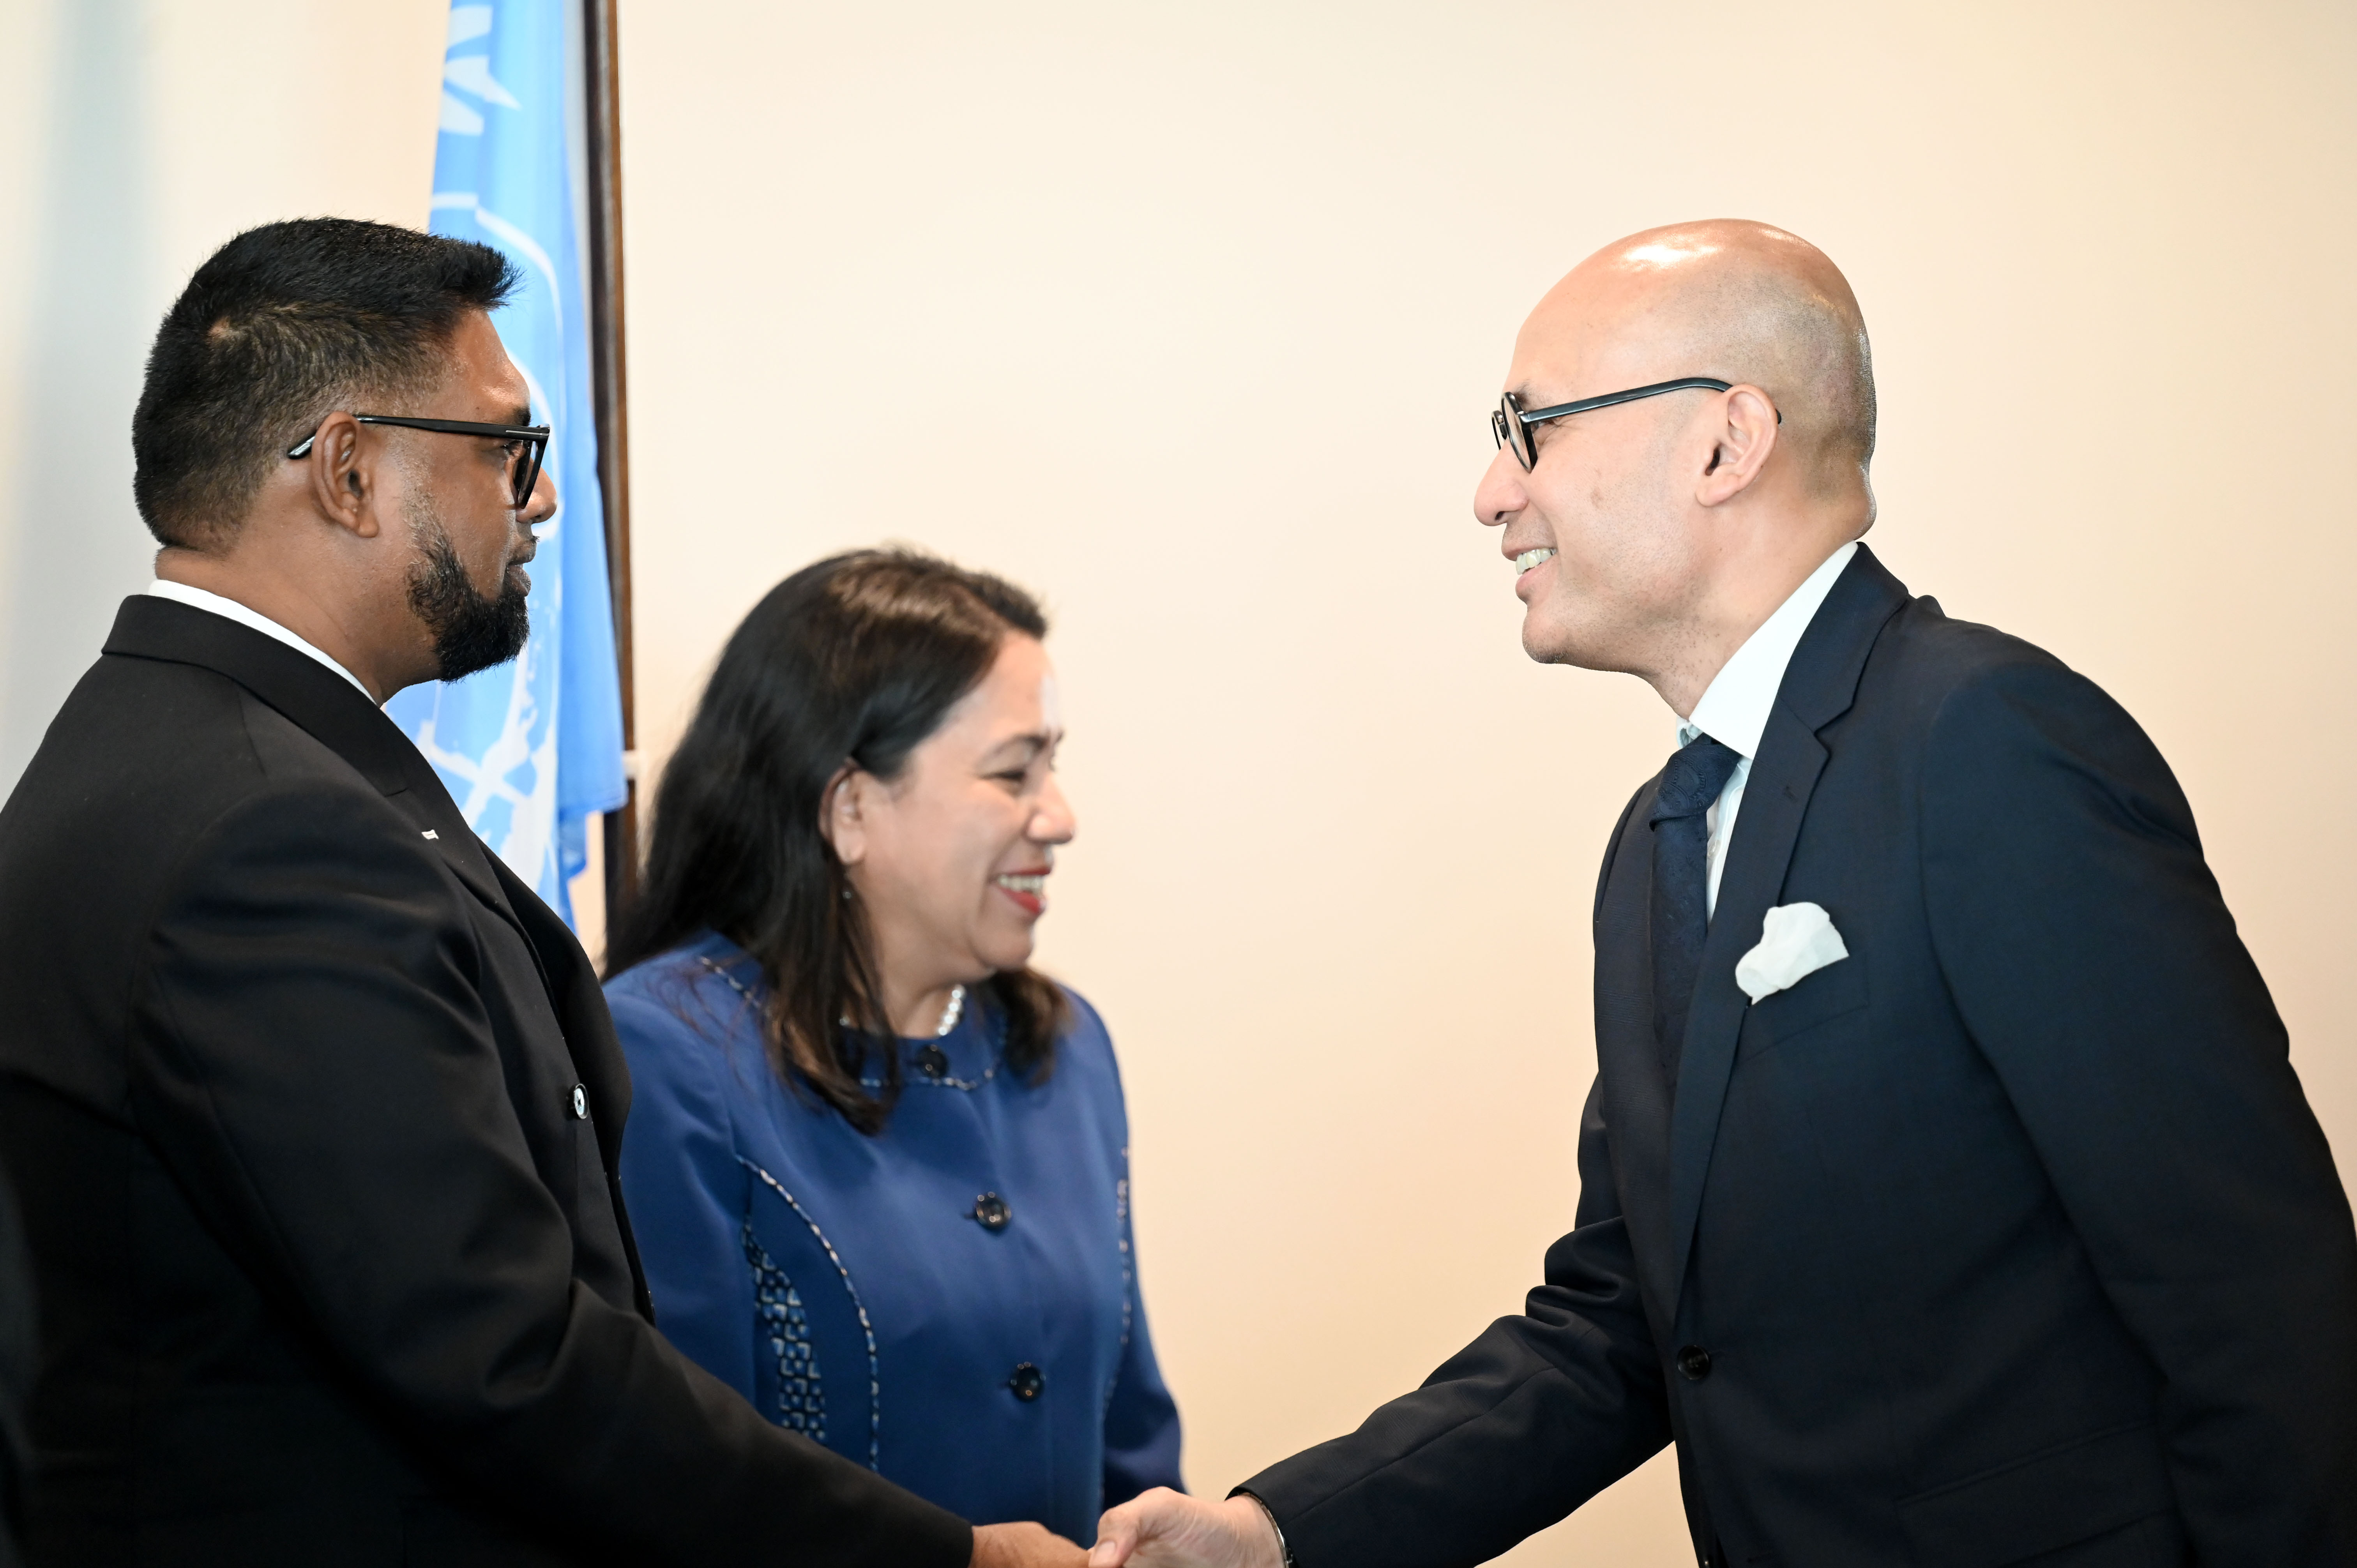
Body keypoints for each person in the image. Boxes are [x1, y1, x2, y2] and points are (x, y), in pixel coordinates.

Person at [1092, 221, 2357, 1567]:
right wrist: (1273, 1535)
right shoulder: (1657, 842)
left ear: (1722, 442)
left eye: (1529, 427)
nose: (1489, 492)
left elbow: (2256, 1309)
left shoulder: (1985, 742)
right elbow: (1628, 1320)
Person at [0, 217, 1083, 1568]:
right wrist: (954, 1560)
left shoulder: (162, 748)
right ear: (348, 470)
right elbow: (504, 1356)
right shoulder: (269, 832)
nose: (542, 499)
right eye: (506, 447)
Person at [603, 549, 1183, 1546]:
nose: (1061, 817)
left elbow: (1133, 1451)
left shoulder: (1066, 1049)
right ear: (851, 808)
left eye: (1055, 766)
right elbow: (677, 1487)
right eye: (1013, 773)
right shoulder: (666, 1056)